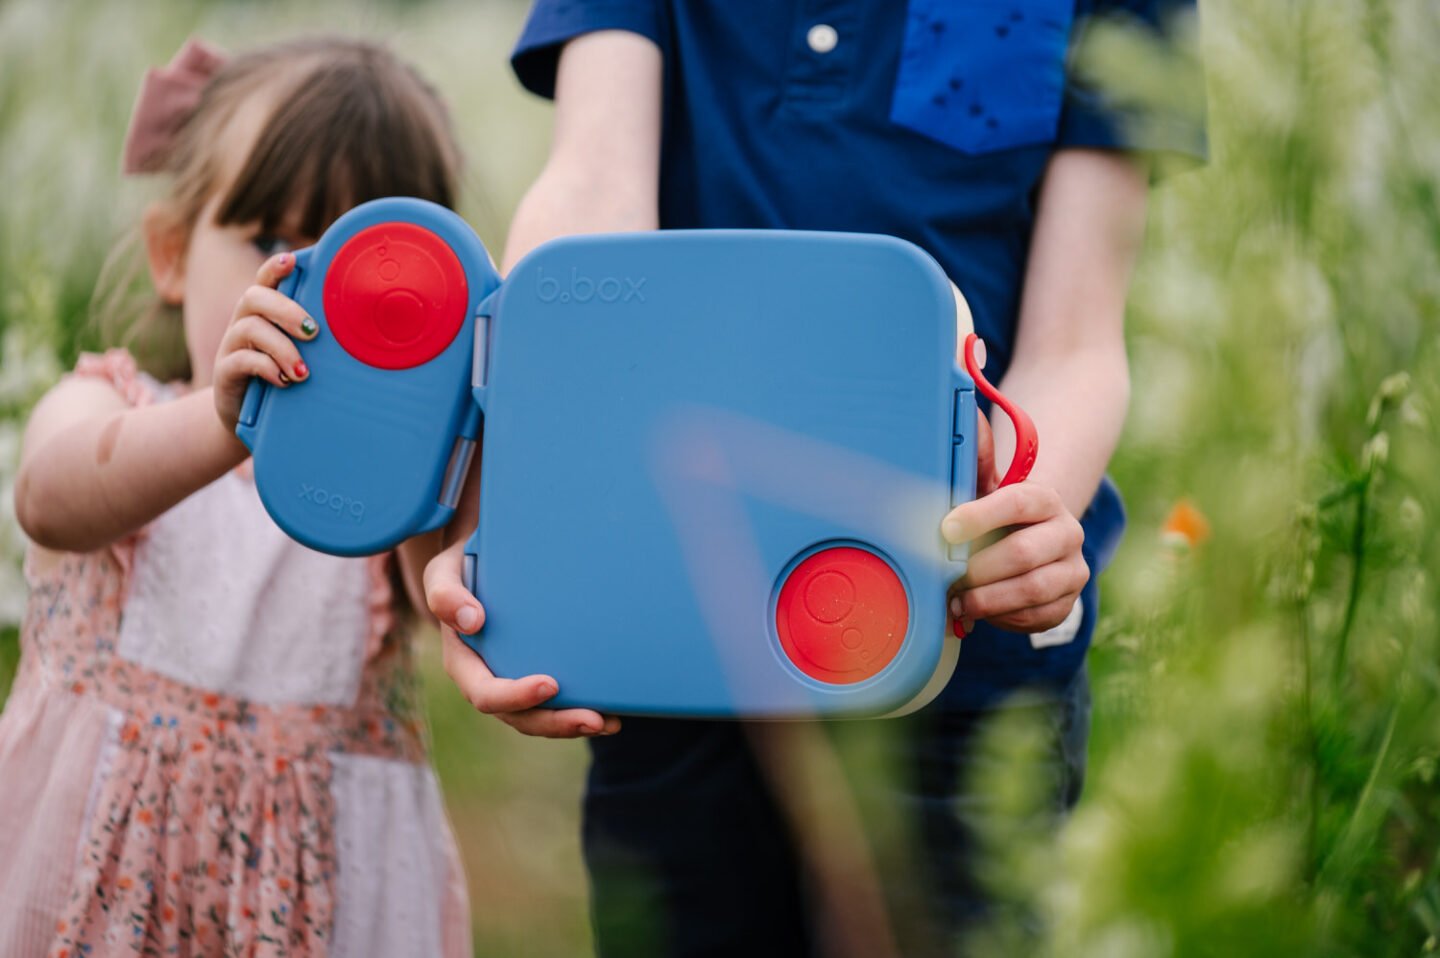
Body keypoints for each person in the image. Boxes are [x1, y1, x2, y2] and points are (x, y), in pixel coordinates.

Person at [424, 2, 1205, 955]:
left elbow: (1076, 339)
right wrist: (519, 521)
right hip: (667, 628)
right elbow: (590, 204)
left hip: (956, 663)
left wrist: (1014, 522)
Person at [1, 37, 471, 957]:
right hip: (101, 895)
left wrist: (444, 436)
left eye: (375, 270)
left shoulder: (389, 496)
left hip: (309, 908)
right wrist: (229, 421)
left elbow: (452, 598)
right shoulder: (115, 409)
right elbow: (50, 498)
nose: (322, 302)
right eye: (275, 242)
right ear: (173, 255)